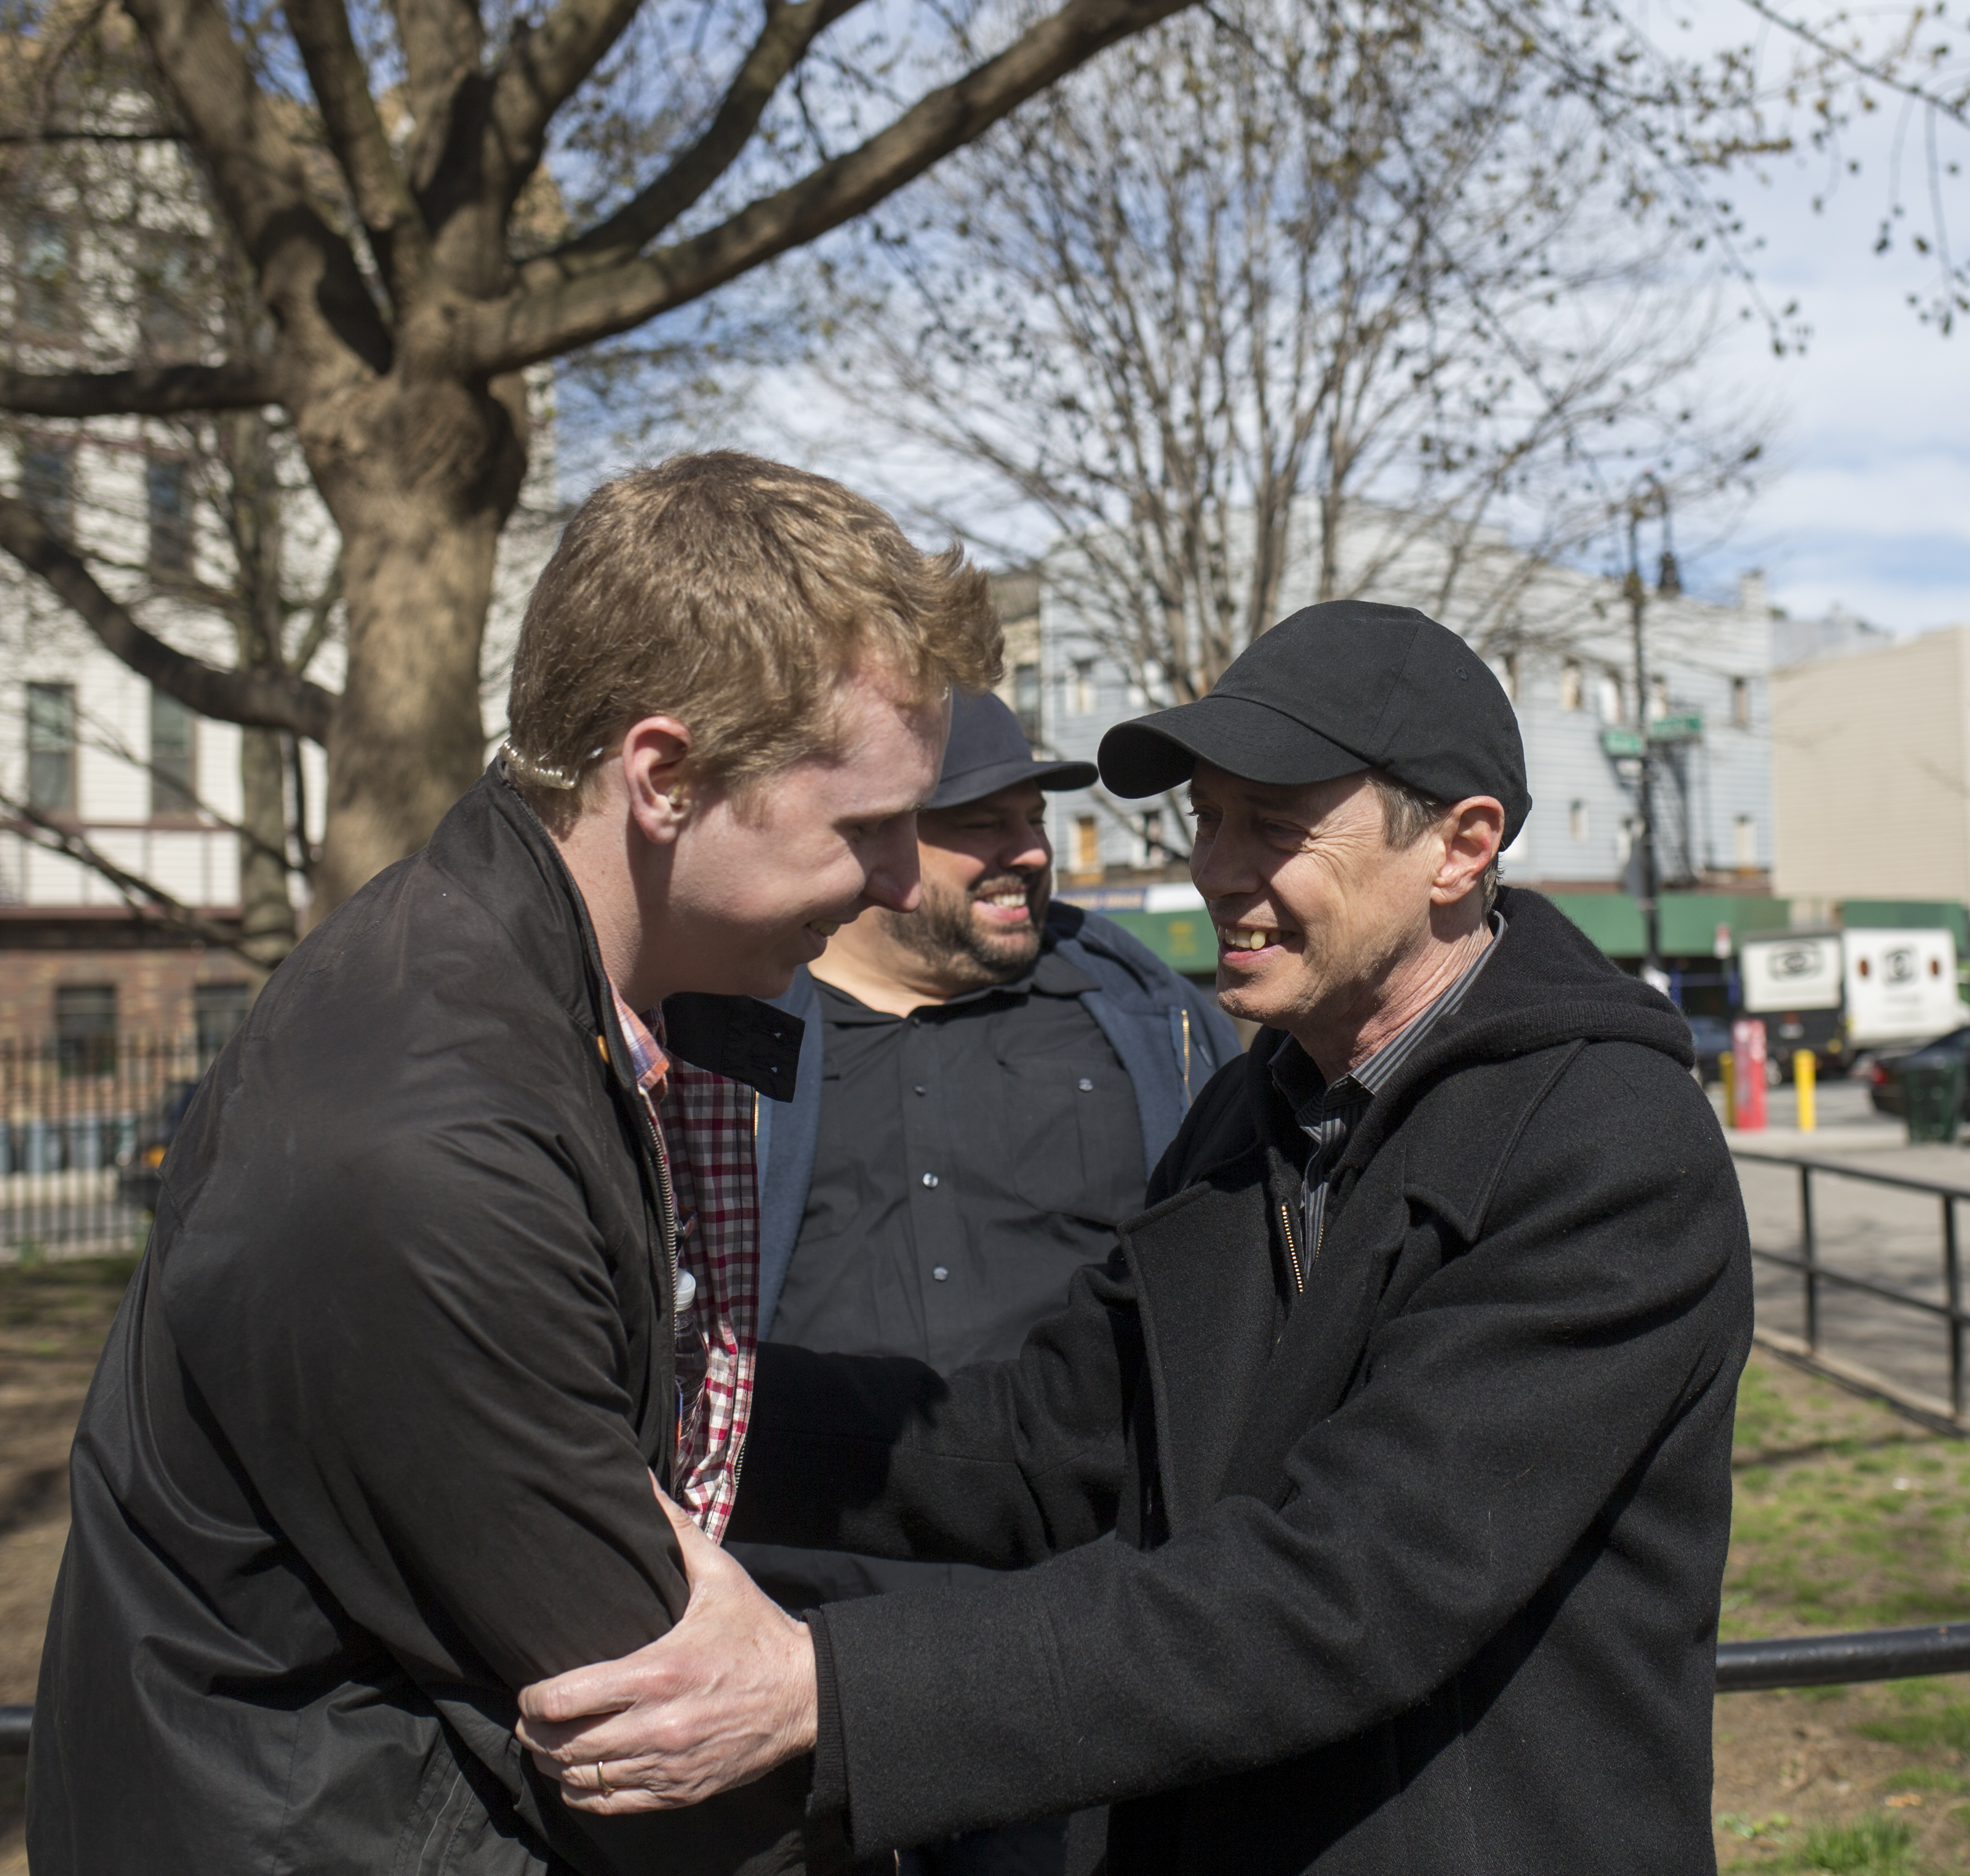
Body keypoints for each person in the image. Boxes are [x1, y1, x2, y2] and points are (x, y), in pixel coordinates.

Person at [516, 598, 1755, 1876]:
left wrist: (827, 1690)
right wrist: (648, 1400)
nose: (1219, 867)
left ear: (1460, 846)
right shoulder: (1253, 1108)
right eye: (1207, 818)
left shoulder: (1605, 1146)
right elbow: (1038, 1446)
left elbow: (1345, 1592)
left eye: (1274, 825)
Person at [27, 453, 999, 1875]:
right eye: (867, 826)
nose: (912, 880)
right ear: (662, 776)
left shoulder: (556, 1002)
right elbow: (659, 1720)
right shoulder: (432, 1144)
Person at [735, 686, 1239, 1876]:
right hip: (790, 1659)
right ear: (871, 837)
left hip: (1069, 1663)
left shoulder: (1144, 1021)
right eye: (979, 822)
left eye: (1035, 817)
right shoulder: (731, 1034)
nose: (1027, 852)